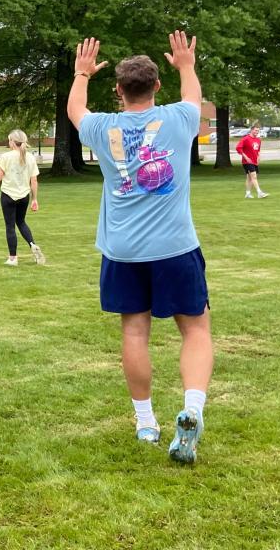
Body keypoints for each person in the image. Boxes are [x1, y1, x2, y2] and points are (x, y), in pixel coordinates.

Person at [68, 31, 213, 464]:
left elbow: (75, 108)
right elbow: (193, 94)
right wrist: (186, 64)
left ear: (118, 90)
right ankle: (191, 409)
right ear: (156, 87)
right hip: (175, 247)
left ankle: (146, 423)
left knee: (134, 331)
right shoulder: (178, 119)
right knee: (197, 329)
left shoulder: (100, 127)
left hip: (123, 251)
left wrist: (81, 72)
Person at [0, 129, 45, 266]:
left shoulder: (6, 156)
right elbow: (34, 181)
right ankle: (32, 244)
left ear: (13, 142)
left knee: (10, 227)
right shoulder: (30, 157)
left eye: (9, 140)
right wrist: (35, 199)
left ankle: (13, 258)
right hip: (24, 196)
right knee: (21, 222)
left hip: (8, 195)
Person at [236, 125, 268, 199]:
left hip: (254, 161)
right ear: (252, 130)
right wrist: (246, 157)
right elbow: (238, 148)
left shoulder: (258, 140)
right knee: (254, 176)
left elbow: (258, 150)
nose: (257, 132)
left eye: (258, 131)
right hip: (247, 162)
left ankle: (247, 193)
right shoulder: (246, 139)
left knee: (249, 178)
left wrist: (259, 157)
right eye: (255, 130)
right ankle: (259, 193)